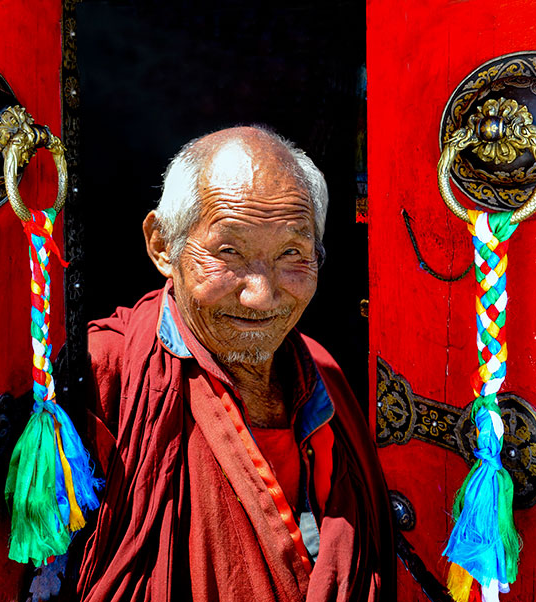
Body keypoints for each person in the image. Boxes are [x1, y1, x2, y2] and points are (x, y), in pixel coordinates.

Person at [75, 126, 396, 601]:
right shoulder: (104, 371)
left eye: (292, 253)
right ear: (162, 245)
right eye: (229, 252)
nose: (261, 295)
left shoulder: (322, 372)